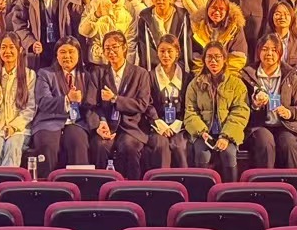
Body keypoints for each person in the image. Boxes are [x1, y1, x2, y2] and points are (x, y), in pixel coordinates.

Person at [87, 31, 152, 176]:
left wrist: (116, 99)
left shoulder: (140, 74)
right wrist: (100, 123)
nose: (111, 52)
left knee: (129, 146)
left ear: (124, 48)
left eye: (115, 47)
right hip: (107, 126)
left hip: (131, 127)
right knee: (99, 145)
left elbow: (142, 104)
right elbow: (91, 105)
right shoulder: (98, 73)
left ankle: (132, 187)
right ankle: (101, 187)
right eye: (107, 48)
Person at [183, 41, 250, 182]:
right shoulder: (195, 84)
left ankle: (230, 191)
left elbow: (240, 112)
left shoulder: (236, 84)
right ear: (204, 60)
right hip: (203, 133)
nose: (213, 61)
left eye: (217, 57)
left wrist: (226, 136)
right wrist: (202, 132)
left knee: (229, 153)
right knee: (202, 154)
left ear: (224, 59)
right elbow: (190, 112)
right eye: (209, 57)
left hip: (228, 133)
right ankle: (203, 192)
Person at [243, 34, 297, 170]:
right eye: (265, 49)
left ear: (280, 53)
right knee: (265, 142)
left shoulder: (291, 76)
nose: (269, 53)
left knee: (289, 143)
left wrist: (289, 112)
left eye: (274, 50)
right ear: (258, 51)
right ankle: (265, 182)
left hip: (286, 126)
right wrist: (254, 105)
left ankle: (295, 182)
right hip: (259, 126)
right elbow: (240, 107)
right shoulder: (247, 76)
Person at [29, 38, 90, 176]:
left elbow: (90, 104)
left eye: (71, 52)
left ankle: (79, 185)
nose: (67, 56)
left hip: (76, 122)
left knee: (78, 142)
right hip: (48, 121)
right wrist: (67, 99)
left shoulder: (86, 76)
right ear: (56, 55)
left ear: (79, 54)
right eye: (62, 52)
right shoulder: (45, 74)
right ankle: (47, 186)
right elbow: (43, 102)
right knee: (47, 145)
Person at [10, 0, 82, 70]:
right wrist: (31, 42)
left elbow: (78, 26)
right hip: (39, 47)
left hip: (64, 47)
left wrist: (73, 48)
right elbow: (18, 22)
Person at [0, 33, 37, 167]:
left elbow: (30, 108)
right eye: (3, 47)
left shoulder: (29, 75)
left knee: (13, 147)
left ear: (20, 50)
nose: (7, 51)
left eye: (11, 47)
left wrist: (14, 126)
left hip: (19, 128)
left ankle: (9, 179)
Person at [145, 34, 190, 170]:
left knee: (180, 145)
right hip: (157, 126)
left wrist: (177, 124)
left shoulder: (187, 77)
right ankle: (161, 181)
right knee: (161, 145)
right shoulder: (150, 76)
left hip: (181, 126)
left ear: (177, 53)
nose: (166, 55)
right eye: (162, 51)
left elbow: (190, 104)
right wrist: (159, 123)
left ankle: (184, 180)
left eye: (170, 51)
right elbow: (147, 103)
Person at [133, 0, 193, 71]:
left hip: (178, 69)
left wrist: (176, 70)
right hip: (154, 70)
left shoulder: (182, 17)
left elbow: (185, 48)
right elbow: (145, 52)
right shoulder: (145, 18)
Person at [80, 0, 135, 66]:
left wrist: (128, 64)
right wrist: (96, 15)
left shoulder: (129, 7)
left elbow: (131, 38)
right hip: (97, 61)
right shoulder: (94, 4)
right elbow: (83, 31)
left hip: (120, 62)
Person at [191, 0, 248, 76]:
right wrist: (207, 73)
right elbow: (195, 56)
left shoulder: (235, 28)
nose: (217, 12)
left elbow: (238, 58)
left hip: (229, 74)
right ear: (207, 9)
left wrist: (222, 74)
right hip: (203, 74)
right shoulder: (198, 28)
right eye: (213, 8)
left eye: (221, 9)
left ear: (227, 11)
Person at [262, 1, 297, 76]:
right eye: (278, 14)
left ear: (292, 17)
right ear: (272, 17)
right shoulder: (264, 41)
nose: (282, 17)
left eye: (286, 14)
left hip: (294, 81)